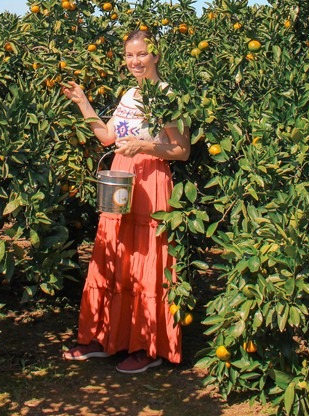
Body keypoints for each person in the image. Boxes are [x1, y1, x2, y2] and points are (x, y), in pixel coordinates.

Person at [61, 30, 191, 374]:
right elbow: (107, 137)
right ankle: (105, 339)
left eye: (142, 54)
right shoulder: (130, 94)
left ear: (156, 56)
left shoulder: (166, 97)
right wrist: (83, 103)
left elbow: (181, 151)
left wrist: (144, 147)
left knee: (146, 262)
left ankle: (148, 347)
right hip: (122, 179)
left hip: (151, 182)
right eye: (129, 55)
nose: (135, 61)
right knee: (114, 255)